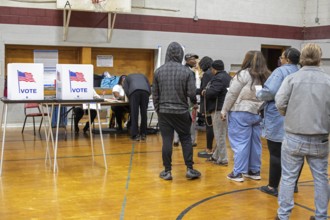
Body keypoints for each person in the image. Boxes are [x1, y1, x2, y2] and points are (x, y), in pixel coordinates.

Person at [275, 43, 330, 220]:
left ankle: (283, 216)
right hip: (320, 137)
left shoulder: (291, 79)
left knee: (288, 178)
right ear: (320, 59)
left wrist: (289, 115)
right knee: (321, 178)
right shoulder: (328, 81)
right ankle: (321, 216)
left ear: (302, 58)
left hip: (294, 136)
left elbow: (280, 103)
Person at [257, 48, 302, 197]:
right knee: (296, 155)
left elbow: (270, 92)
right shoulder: (301, 71)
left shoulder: (280, 72)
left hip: (278, 117)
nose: (280, 59)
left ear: (287, 59)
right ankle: (293, 184)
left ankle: (272, 186)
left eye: (282, 57)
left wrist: (259, 93)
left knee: (276, 153)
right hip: (297, 118)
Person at [153, 41, 201, 181]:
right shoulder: (187, 72)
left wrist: (158, 109)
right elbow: (192, 93)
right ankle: (190, 169)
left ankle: (167, 171)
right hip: (181, 111)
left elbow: (155, 94)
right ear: (180, 54)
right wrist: (194, 103)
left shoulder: (158, 71)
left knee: (167, 140)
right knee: (185, 139)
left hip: (164, 112)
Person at [221, 51, 270, 182]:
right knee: (255, 143)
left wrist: (224, 110)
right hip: (258, 113)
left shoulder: (243, 74)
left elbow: (232, 93)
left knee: (240, 143)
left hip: (241, 112)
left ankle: (238, 173)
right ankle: (254, 170)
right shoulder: (266, 75)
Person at [203, 60, 231, 165]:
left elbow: (212, 93)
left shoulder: (218, 78)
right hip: (226, 109)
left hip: (218, 109)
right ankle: (215, 156)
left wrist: (205, 91)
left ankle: (223, 159)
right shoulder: (228, 77)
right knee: (221, 134)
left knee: (219, 135)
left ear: (213, 69)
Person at [173, 53, 199, 147]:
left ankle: (176, 139)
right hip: (188, 99)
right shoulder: (190, 72)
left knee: (177, 118)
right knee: (192, 119)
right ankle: (192, 140)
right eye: (193, 59)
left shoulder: (179, 70)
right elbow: (191, 89)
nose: (195, 61)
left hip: (177, 97)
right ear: (187, 60)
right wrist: (195, 102)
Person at [197, 56, 215, 158]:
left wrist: (192, 90)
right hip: (213, 103)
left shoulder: (206, 74)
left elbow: (203, 90)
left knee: (209, 126)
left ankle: (209, 149)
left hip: (208, 104)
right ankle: (210, 148)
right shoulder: (212, 73)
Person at [123, 73, 151, 141]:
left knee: (134, 114)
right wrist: (147, 95)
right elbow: (149, 88)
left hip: (134, 92)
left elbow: (126, 89)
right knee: (144, 113)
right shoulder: (144, 76)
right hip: (145, 92)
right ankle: (143, 134)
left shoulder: (127, 78)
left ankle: (135, 135)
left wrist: (130, 98)